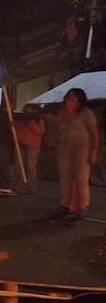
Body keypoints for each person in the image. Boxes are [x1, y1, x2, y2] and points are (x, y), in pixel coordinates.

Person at [54, 88, 99, 219]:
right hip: (64, 148)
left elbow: (94, 134)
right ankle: (65, 205)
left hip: (82, 149)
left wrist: (94, 151)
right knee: (64, 178)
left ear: (80, 101)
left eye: (73, 100)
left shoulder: (86, 114)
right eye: (68, 99)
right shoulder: (61, 114)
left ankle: (82, 206)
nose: (70, 102)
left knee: (81, 178)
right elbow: (57, 131)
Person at [14, 104, 46, 193]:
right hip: (20, 145)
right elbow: (16, 130)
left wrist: (31, 123)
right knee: (19, 166)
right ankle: (19, 186)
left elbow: (41, 131)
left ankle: (31, 187)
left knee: (31, 167)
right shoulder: (21, 120)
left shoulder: (38, 120)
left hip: (32, 146)